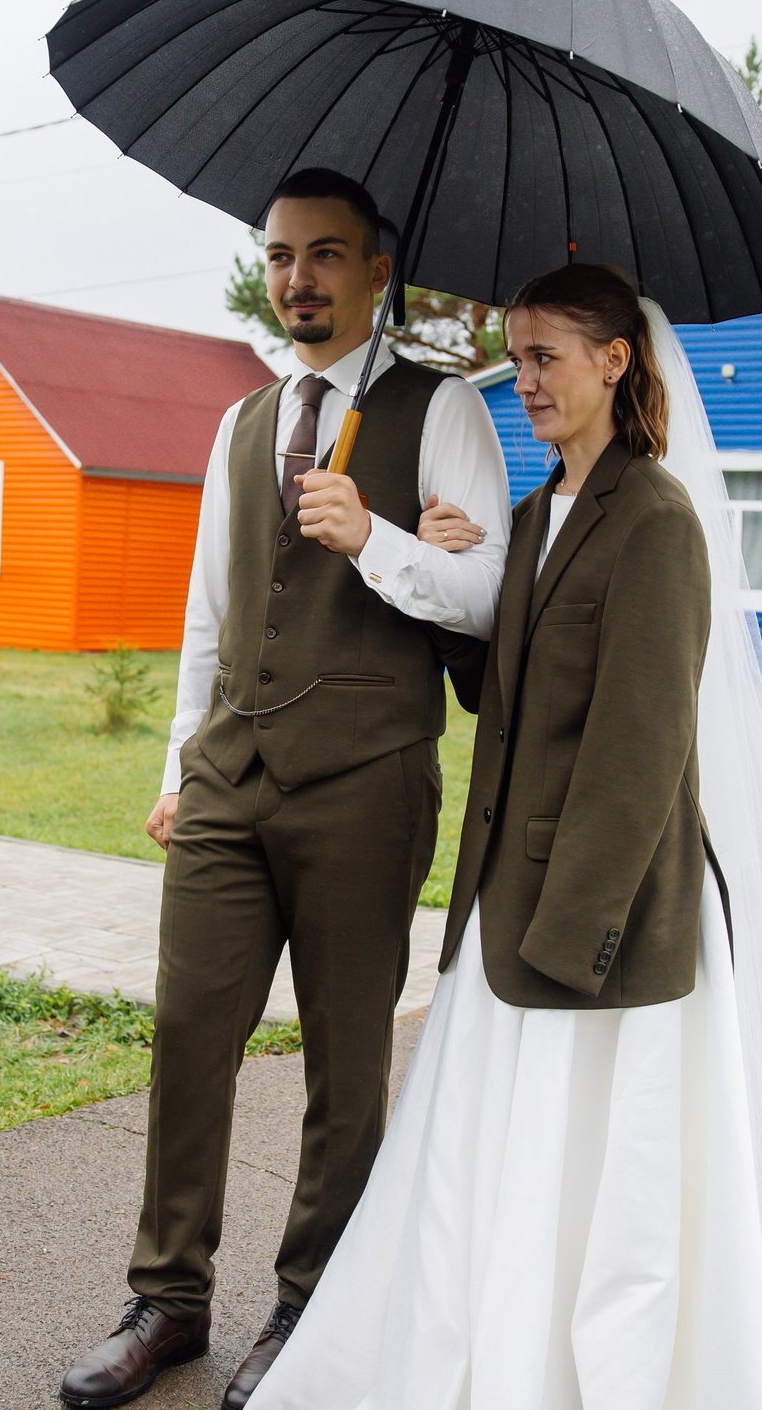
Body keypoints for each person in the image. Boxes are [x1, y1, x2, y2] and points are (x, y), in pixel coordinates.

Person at [246, 263, 762, 1409]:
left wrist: (571, 938)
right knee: (490, 1162)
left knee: (598, 1176)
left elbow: (641, 751)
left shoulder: (657, 520)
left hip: (602, 922)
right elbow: (500, 698)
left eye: (545, 357)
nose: (526, 380)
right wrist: (446, 575)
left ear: (615, 360)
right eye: (516, 357)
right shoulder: (537, 514)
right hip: (504, 897)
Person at [60, 168, 512, 1410]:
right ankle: (168, 1301)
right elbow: (208, 609)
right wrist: (177, 768)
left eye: (325, 254)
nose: (297, 278)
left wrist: (375, 537)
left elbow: (489, 598)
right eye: (278, 255)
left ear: (378, 270)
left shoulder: (443, 409)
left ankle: (314, 1307)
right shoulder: (244, 421)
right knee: (186, 1034)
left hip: (364, 781)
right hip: (228, 773)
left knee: (344, 1063)